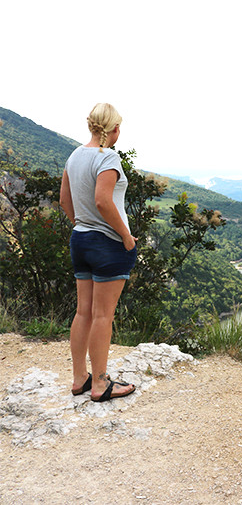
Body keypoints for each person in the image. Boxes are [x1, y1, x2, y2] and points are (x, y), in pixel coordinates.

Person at [59, 103, 137, 402]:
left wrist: (82, 224)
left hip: (80, 240)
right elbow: (104, 201)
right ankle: (101, 383)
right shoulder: (108, 157)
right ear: (114, 129)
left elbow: (65, 199)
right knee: (103, 315)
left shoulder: (75, 155)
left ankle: (80, 379)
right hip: (108, 245)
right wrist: (126, 237)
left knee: (83, 312)